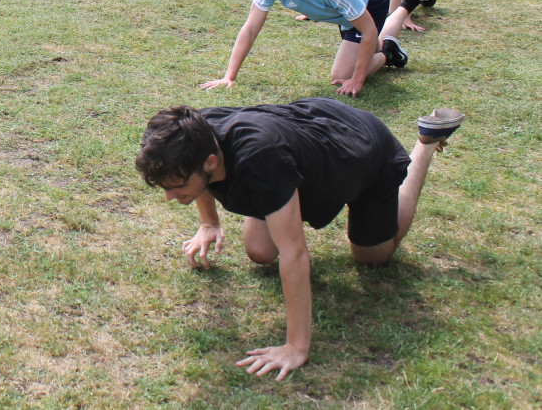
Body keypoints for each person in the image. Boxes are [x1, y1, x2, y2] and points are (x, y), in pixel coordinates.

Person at [135, 99, 464, 380]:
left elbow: (295, 254)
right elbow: (199, 180)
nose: (169, 196)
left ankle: (426, 143)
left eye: (176, 186)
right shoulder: (195, 135)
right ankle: (286, 195)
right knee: (260, 251)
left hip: (360, 152)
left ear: (210, 162)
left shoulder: (260, 160)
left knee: (373, 256)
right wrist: (209, 222)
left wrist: (295, 346)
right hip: (309, 143)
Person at [201, 0, 432, 97]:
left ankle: (389, 51)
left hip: (368, 0)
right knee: (367, 47)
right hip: (344, 14)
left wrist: (357, 80)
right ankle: (406, 9)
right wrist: (229, 76)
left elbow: (368, 30)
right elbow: (251, 28)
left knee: (344, 74)